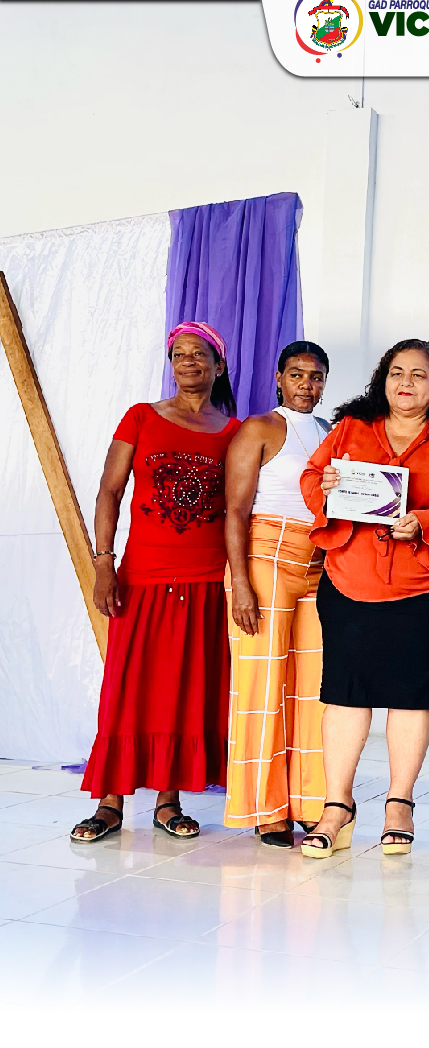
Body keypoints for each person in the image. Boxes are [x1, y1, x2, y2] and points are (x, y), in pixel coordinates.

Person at [296, 339, 429, 858]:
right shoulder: (351, 429)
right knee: (345, 693)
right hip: (350, 581)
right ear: (383, 379)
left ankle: (400, 803)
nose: (406, 382)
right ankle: (337, 807)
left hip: (427, 586)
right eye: (398, 372)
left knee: (411, 694)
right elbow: (311, 478)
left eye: (419, 374)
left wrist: (425, 521)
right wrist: (327, 485)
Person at [71, 322, 241, 843]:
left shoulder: (234, 431)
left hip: (206, 579)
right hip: (143, 576)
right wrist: (104, 563)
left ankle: (169, 801)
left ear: (219, 365)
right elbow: (109, 491)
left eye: (199, 354)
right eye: (178, 354)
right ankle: (110, 802)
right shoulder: (141, 417)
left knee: (185, 690)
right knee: (127, 688)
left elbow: (241, 509)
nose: (188, 361)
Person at [223, 341, 331, 847]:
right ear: (279, 378)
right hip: (265, 556)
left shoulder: (331, 432)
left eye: (316, 376)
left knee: (314, 689)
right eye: (297, 374)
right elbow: (235, 510)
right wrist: (241, 583)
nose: (307, 384)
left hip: (318, 563)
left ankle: (310, 802)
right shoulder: (260, 428)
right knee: (263, 687)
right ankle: (266, 810)